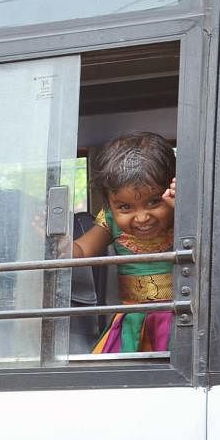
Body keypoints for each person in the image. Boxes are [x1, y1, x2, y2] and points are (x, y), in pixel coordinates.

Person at [72, 132, 177, 353]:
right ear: (110, 205)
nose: (142, 217)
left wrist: (185, 206)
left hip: (180, 318)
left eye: (154, 201)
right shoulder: (111, 222)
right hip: (132, 323)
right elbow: (80, 251)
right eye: (125, 207)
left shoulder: (183, 216)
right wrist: (57, 241)